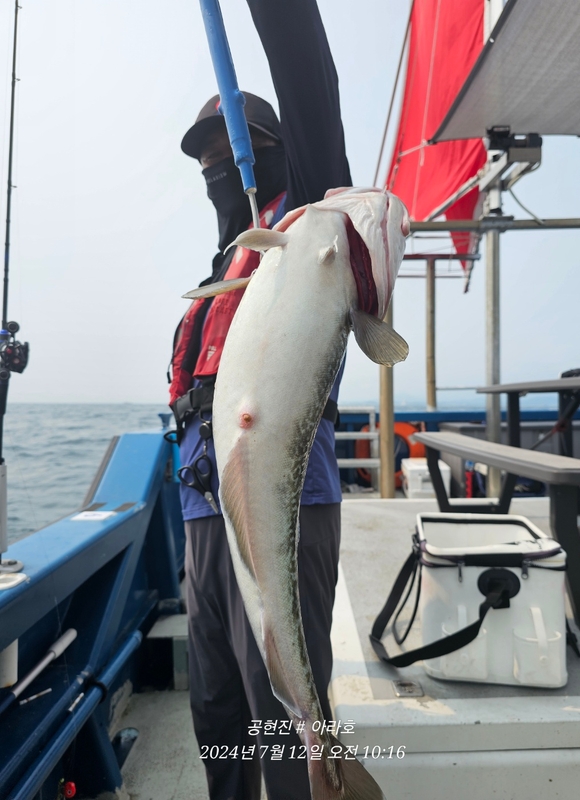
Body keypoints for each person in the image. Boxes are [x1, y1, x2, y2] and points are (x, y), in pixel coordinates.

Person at [169, 1, 351, 797]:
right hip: (202, 511)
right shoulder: (225, 265)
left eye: (236, 147)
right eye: (208, 155)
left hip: (284, 499)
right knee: (217, 708)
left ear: (279, 153)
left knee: (283, 713)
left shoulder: (311, 224)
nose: (220, 164)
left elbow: (309, 79)